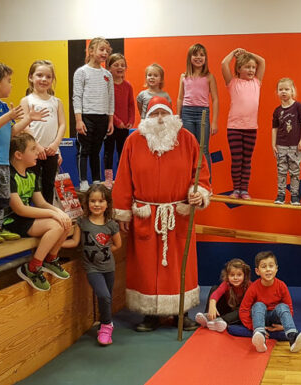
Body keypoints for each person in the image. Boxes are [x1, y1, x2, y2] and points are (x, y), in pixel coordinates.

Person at [111, 96, 211, 331]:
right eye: (154, 114)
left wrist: (199, 193)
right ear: (147, 117)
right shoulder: (134, 141)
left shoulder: (188, 140)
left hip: (178, 213)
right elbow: (124, 177)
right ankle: (150, 315)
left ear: (172, 116)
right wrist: (123, 212)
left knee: (179, 265)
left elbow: (201, 174)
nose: (159, 119)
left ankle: (181, 312)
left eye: (163, 113)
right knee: (146, 266)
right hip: (146, 215)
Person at [0, 60, 48, 243]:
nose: (11, 85)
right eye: (9, 81)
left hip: (3, 161)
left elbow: (11, 131)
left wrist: (28, 119)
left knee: (3, 197)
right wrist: (9, 116)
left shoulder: (4, 107)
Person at [7, 133, 73, 291]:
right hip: (10, 221)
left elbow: (41, 202)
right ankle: (32, 267)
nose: (38, 152)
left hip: (25, 218)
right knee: (56, 225)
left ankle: (50, 259)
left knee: (65, 222)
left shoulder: (31, 174)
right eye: (33, 149)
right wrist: (53, 214)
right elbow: (20, 209)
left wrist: (59, 212)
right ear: (18, 155)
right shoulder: (8, 176)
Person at [64, 183, 122, 344]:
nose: (96, 205)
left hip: (108, 267)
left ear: (107, 204)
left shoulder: (111, 224)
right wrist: (57, 244)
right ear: (87, 203)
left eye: (101, 201)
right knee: (103, 295)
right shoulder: (83, 222)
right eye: (93, 201)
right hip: (92, 268)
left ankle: (105, 322)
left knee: (107, 298)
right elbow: (75, 242)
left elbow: (118, 245)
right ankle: (106, 326)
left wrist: (106, 251)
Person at [239, 251, 301, 353]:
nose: (268, 269)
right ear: (257, 271)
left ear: (276, 269)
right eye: (264, 267)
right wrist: (252, 326)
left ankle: (293, 338)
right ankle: (260, 337)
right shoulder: (253, 288)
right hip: (260, 318)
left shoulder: (281, 286)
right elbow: (244, 310)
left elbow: (289, 308)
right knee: (258, 305)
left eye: (271, 266)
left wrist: (283, 326)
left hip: (275, 318)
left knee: (282, 306)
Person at [221, 48, 266, 199]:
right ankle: (236, 189)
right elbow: (224, 64)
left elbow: (262, 62)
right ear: (239, 69)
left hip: (251, 128)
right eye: (247, 66)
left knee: (247, 160)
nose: (252, 69)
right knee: (237, 160)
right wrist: (234, 53)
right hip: (234, 127)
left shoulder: (257, 82)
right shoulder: (233, 83)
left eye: (253, 67)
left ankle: (244, 189)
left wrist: (248, 53)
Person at [20, 60, 66, 203]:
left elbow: (62, 124)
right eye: (39, 75)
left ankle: (47, 216)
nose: (44, 79)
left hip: (51, 151)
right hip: (33, 151)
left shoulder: (56, 102)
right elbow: (24, 126)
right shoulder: (26, 100)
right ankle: (31, 216)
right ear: (30, 77)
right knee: (31, 187)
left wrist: (55, 145)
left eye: (48, 76)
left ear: (52, 80)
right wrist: (36, 146)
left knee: (48, 185)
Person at [72, 37, 114, 192]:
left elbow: (111, 99)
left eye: (107, 51)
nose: (104, 53)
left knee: (97, 150)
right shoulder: (81, 72)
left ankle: (96, 179)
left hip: (102, 117)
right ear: (90, 51)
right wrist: (78, 120)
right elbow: (77, 96)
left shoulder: (107, 75)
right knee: (84, 150)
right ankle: (83, 180)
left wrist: (110, 120)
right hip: (86, 117)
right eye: (101, 49)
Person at [177, 43, 219, 172]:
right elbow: (180, 98)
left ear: (205, 58)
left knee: (203, 148)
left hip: (203, 113)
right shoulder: (184, 76)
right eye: (195, 54)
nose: (198, 57)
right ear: (190, 57)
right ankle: (190, 182)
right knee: (189, 148)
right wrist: (178, 117)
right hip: (187, 113)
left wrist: (214, 122)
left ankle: (206, 184)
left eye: (202, 55)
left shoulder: (209, 77)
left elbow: (215, 99)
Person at [272, 77, 301, 205]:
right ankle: (281, 194)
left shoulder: (298, 107)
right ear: (277, 92)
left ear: (292, 90)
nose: (284, 92)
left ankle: (294, 196)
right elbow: (274, 128)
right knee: (281, 171)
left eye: (287, 89)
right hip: (281, 145)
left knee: (295, 171)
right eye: (281, 89)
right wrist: (273, 144)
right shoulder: (277, 111)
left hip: (295, 146)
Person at [103, 53, 136, 188]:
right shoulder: (107, 85)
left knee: (123, 152)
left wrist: (130, 120)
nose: (120, 67)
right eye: (116, 65)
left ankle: (122, 177)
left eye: (122, 65)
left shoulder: (128, 86)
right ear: (109, 68)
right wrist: (117, 121)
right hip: (111, 125)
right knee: (109, 152)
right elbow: (106, 106)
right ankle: (109, 179)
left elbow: (131, 105)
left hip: (124, 127)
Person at [195, 258, 251, 332]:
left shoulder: (249, 286)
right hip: (226, 309)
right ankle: (208, 316)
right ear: (227, 276)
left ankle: (220, 321)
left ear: (244, 275)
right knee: (214, 288)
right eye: (232, 275)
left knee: (242, 310)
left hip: (237, 313)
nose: (235, 278)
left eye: (239, 275)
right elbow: (217, 293)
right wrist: (212, 305)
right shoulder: (226, 284)